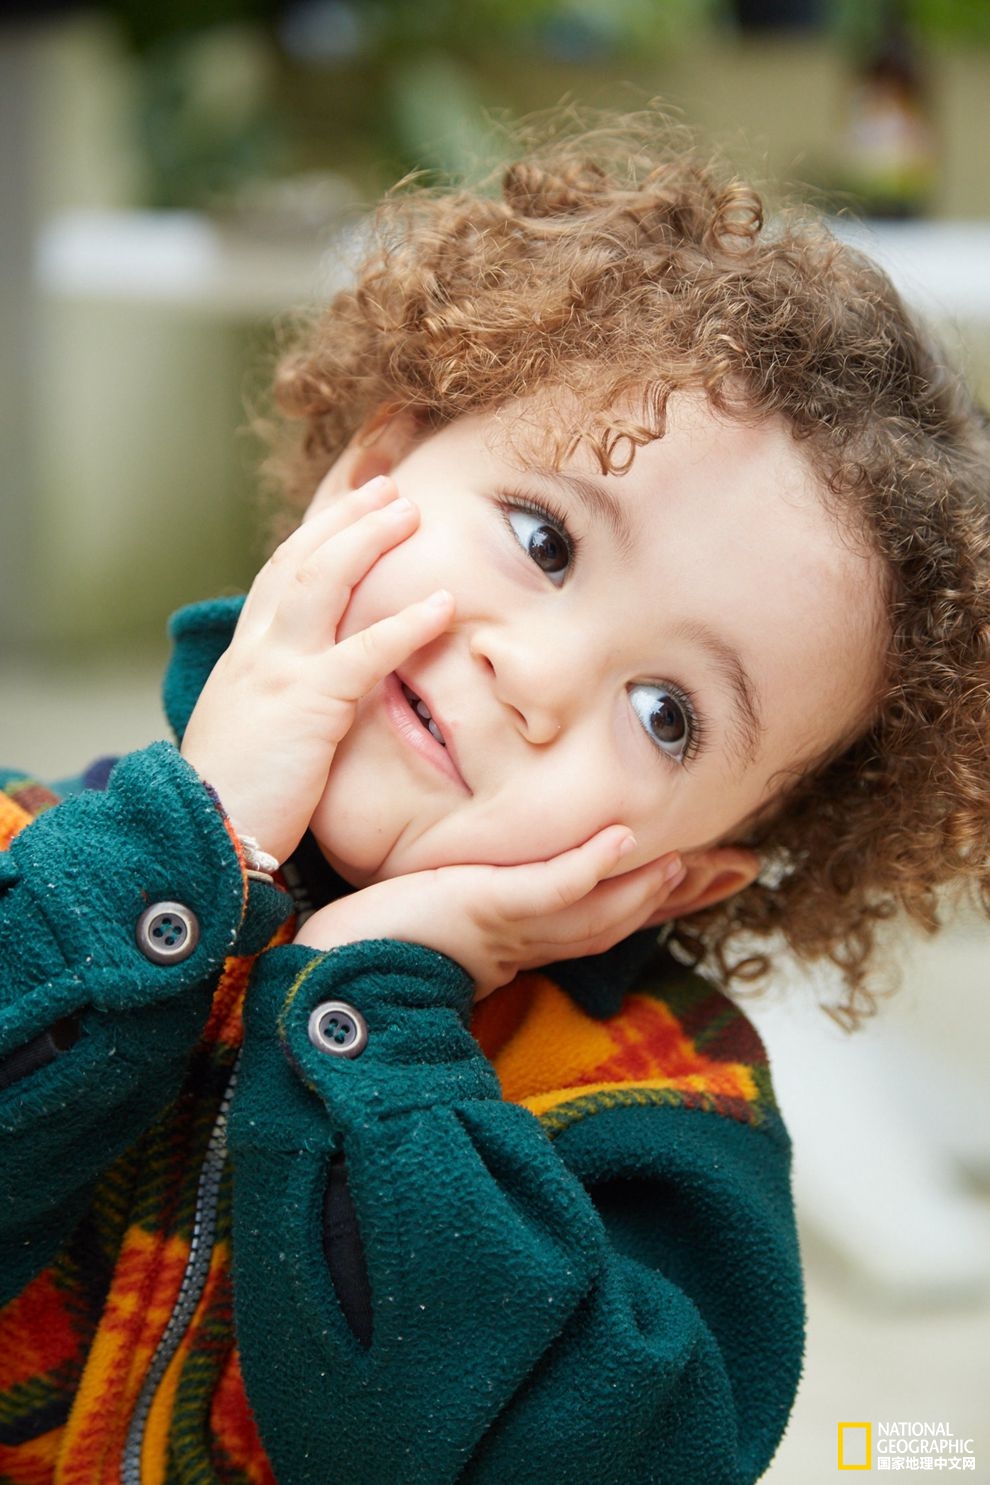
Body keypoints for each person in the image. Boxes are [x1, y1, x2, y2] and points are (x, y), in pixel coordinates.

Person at [2, 113, 988, 1485]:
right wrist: (181, 851)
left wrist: (363, 1015)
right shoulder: (38, 863)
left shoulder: (649, 1109)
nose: (535, 677)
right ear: (368, 477)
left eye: (666, 713)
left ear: (682, 871)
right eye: (545, 538)